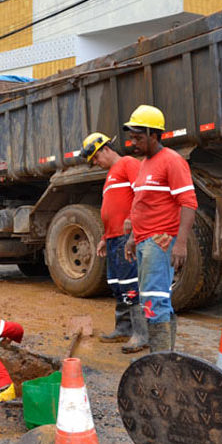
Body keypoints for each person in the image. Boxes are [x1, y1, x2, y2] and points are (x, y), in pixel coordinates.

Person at [122, 105, 197, 352]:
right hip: (144, 241)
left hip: (160, 241)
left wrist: (182, 243)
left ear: (154, 135)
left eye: (139, 137)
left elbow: (188, 203)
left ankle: (160, 361)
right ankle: (163, 357)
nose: (133, 142)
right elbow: (143, 204)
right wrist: (133, 237)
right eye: (132, 137)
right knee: (152, 299)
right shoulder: (144, 164)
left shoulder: (172, 161)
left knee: (155, 301)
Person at [80, 132, 147, 353]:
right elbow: (112, 210)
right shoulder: (110, 176)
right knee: (118, 285)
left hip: (126, 238)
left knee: (131, 285)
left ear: (105, 149)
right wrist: (103, 238)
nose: (96, 164)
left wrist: (134, 227)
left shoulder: (128, 163)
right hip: (113, 239)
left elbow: (143, 194)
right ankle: (124, 328)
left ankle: (141, 333)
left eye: (96, 158)